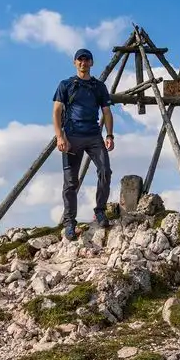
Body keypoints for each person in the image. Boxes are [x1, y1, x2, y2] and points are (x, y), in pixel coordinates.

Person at [52, 48, 115, 240]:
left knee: (105, 171)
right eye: (80, 60)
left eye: (87, 60)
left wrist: (110, 135)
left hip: (94, 135)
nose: (83, 63)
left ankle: (100, 211)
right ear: (74, 62)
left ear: (92, 63)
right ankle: (70, 223)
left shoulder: (99, 86)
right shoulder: (66, 85)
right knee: (71, 182)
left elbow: (106, 112)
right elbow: (56, 111)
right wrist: (59, 137)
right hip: (71, 137)